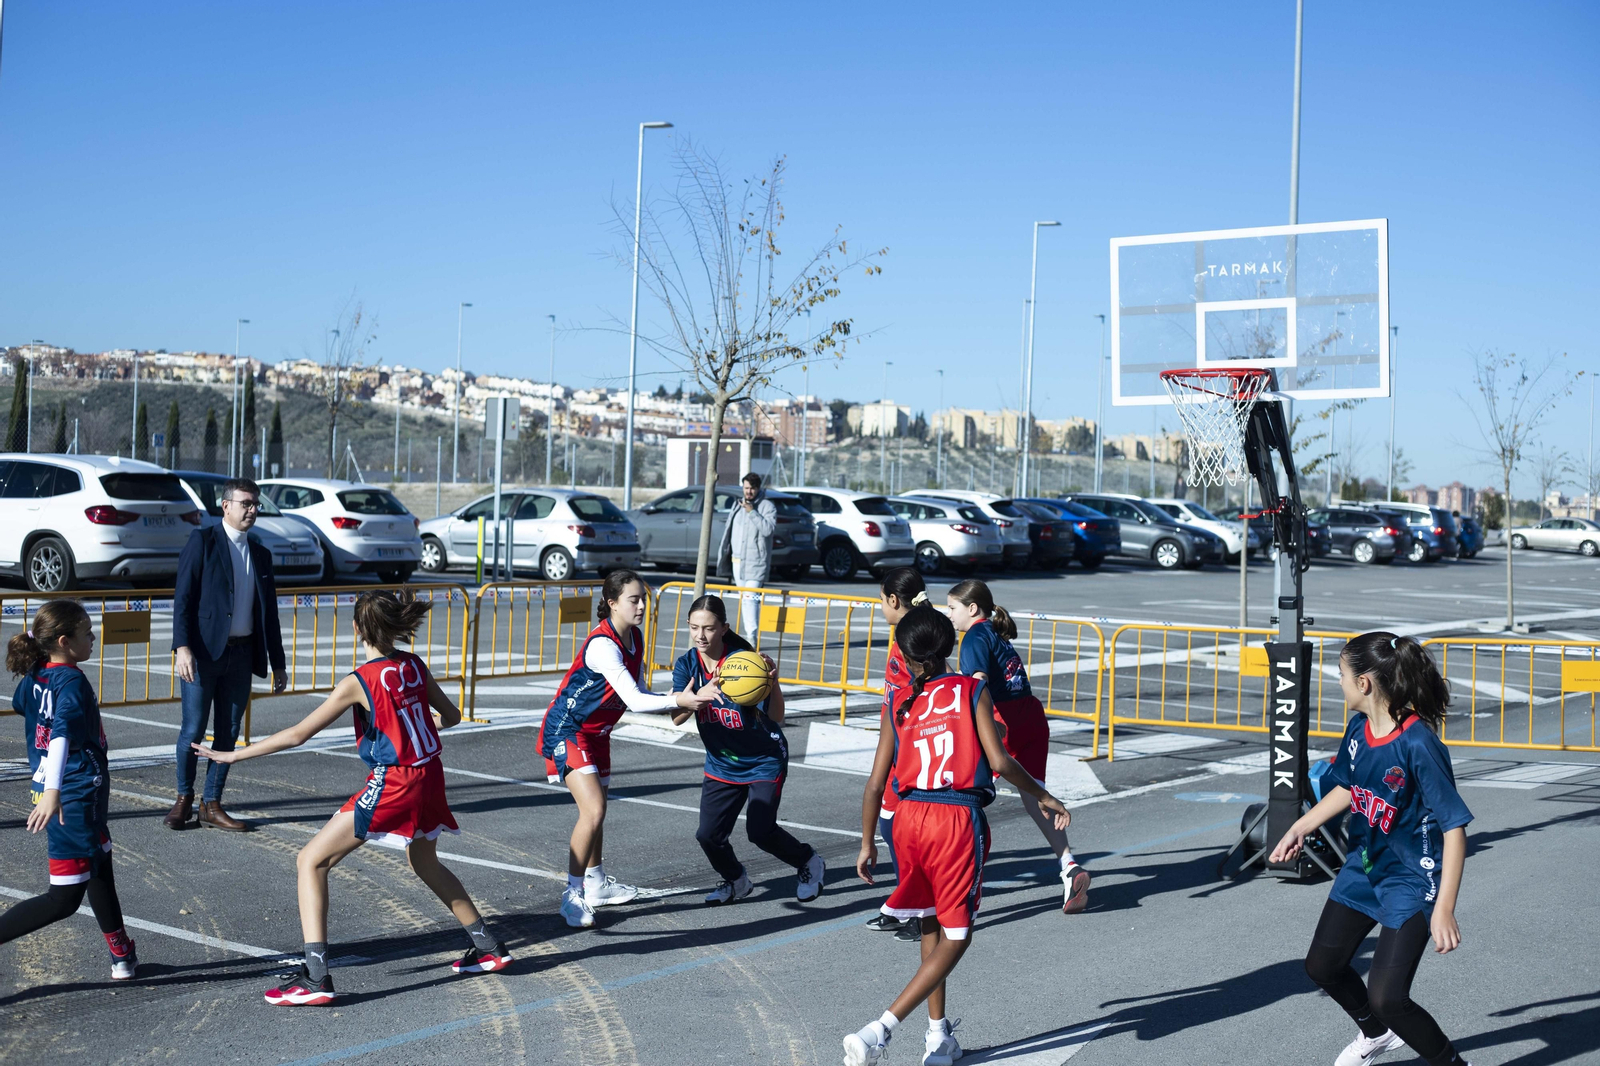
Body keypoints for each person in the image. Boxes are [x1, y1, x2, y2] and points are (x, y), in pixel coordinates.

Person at [191, 590, 510, 1006]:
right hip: (430, 773)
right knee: (424, 860)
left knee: (311, 859)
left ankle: (316, 976)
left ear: (358, 628)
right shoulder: (414, 664)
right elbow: (450, 717)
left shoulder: (359, 681)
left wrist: (232, 753)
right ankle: (488, 946)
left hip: (395, 780)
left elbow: (298, 734)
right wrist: (416, 722)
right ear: (396, 624)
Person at [848, 605, 1072, 1066]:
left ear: (907, 659)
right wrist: (1044, 795)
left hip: (906, 818)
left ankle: (937, 1039)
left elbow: (874, 782)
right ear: (949, 646)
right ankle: (879, 1031)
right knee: (959, 934)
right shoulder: (972, 690)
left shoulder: (900, 701)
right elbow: (1001, 762)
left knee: (932, 922)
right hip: (954, 817)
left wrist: (868, 840)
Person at [1270, 633, 1474, 1066]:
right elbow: (1348, 784)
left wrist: (1444, 907)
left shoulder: (1418, 743)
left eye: (1341, 674)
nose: (1337, 682)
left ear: (1364, 684)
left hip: (1413, 879)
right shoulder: (1359, 729)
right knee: (1322, 967)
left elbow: (1455, 828)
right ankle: (1376, 1036)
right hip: (1364, 868)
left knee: (1388, 998)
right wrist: (1300, 827)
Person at [539, 569, 716, 929]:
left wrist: (685, 702)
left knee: (598, 813)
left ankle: (596, 883)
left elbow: (643, 691)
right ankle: (572, 895)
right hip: (568, 730)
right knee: (594, 809)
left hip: (599, 732)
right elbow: (634, 700)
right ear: (611, 603)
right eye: (634, 599)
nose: (641, 606)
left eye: (643, 599)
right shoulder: (603, 645)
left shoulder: (634, 638)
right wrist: (681, 698)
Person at [1, 601, 139, 981]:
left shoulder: (38, 673)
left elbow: (20, 705)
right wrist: (53, 791)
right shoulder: (72, 681)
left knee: (99, 867)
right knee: (62, 899)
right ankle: (121, 955)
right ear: (64, 640)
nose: (94, 638)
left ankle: (122, 956)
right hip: (73, 792)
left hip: (71, 788)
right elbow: (61, 734)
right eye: (87, 633)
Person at [670, 594, 825, 905]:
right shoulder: (687, 664)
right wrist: (697, 696)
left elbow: (776, 717)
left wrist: (774, 683)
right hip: (722, 763)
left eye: (709, 628)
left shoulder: (746, 662)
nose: (701, 635)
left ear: (724, 628)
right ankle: (736, 879)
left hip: (763, 760)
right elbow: (677, 718)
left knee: (760, 831)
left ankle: (808, 861)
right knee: (708, 836)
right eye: (694, 627)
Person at [946, 578, 1090, 914]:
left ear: (971, 609)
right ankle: (1069, 866)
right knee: (1035, 795)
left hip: (1002, 720)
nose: (948, 614)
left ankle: (959, 884)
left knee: (962, 801)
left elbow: (977, 686)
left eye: (952, 608)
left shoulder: (974, 637)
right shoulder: (996, 633)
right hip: (1031, 715)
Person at [168, 476, 287, 832]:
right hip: (203, 655)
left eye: (255, 504)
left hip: (242, 655)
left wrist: (277, 662)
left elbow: (270, 614)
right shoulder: (202, 541)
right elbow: (183, 599)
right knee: (193, 729)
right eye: (245, 503)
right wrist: (182, 647)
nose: (252, 510)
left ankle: (211, 802)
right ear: (226, 506)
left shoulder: (261, 553)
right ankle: (183, 798)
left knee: (228, 733)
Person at [864, 567, 922, 941]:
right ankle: (906, 903)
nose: (879, 607)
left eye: (880, 601)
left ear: (893, 600)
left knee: (900, 831)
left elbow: (928, 679)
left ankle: (919, 909)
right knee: (890, 827)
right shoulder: (901, 633)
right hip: (894, 737)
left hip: (910, 745)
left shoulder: (911, 637)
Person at [717, 472, 776, 634]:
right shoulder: (738, 505)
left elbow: (767, 530)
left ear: (758, 489)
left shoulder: (767, 507)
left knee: (750, 598)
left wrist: (752, 512)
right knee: (745, 599)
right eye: (746, 488)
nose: (749, 492)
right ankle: (749, 634)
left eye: (752, 488)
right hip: (738, 561)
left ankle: (751, 636)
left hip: (756, 563)